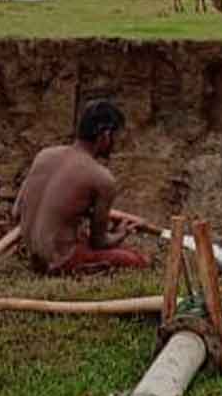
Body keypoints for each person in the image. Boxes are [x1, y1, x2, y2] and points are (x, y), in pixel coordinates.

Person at [15, 99, 152, 274]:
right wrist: (123, 232)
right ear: (105, 135)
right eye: (115, 136)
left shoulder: (44, 155)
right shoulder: (102, 178)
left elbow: (16, 212)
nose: (116, 143)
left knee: (83, 239)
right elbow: (100, 242)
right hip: (60, 261)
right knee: (139, 260)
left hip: (34, 256)